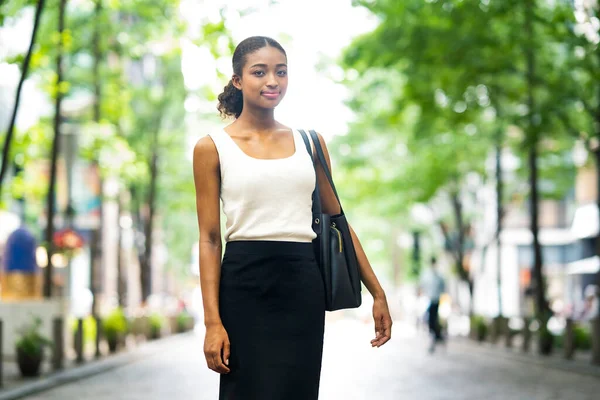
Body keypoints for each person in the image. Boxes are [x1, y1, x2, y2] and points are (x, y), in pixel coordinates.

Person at [192, 36, 393, 400]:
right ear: (237, 79)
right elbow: (208, 238)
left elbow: (338, 222)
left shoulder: (310, 143)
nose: (273, 81)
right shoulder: (211, 147)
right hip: (243, 285)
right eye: (260, 72)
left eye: (281, 72)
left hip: (302, 283)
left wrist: (377, 292)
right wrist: (212, 322)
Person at [419, 256, 445, 353]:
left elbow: (442, 287)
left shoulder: (438, 275)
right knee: (431, 321)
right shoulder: (427, 275)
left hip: (435, 300)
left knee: (432, 320)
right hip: (428, 300)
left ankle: (436, 336)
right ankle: (437, 336)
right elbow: (422, 286)